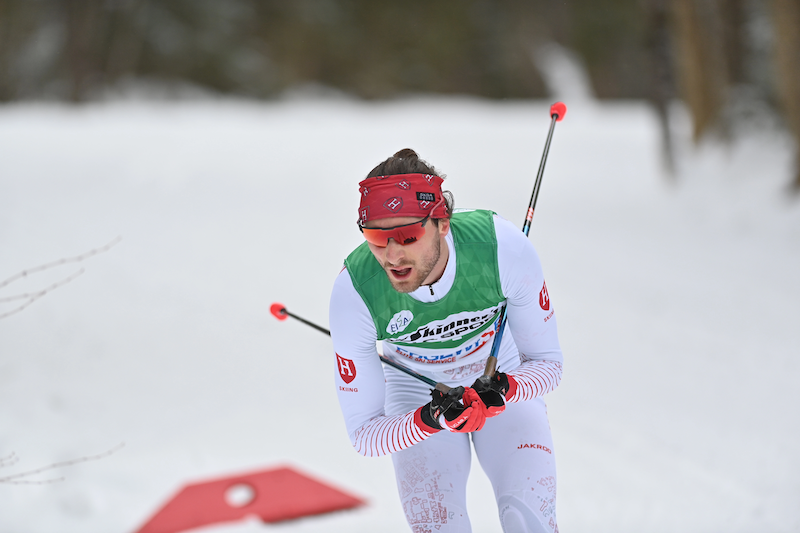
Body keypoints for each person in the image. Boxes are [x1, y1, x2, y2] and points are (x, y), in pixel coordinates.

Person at [329, 148, 563, 533]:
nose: (391, 255)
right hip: (415, 393)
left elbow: (549, 365)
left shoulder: (502, 248)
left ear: (442, 222)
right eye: (375, 236)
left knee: (530, 522)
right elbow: (365, 434)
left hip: (498, 373)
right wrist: (431, 417)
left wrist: (505, 388)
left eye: (407, 234)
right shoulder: (354, 293)